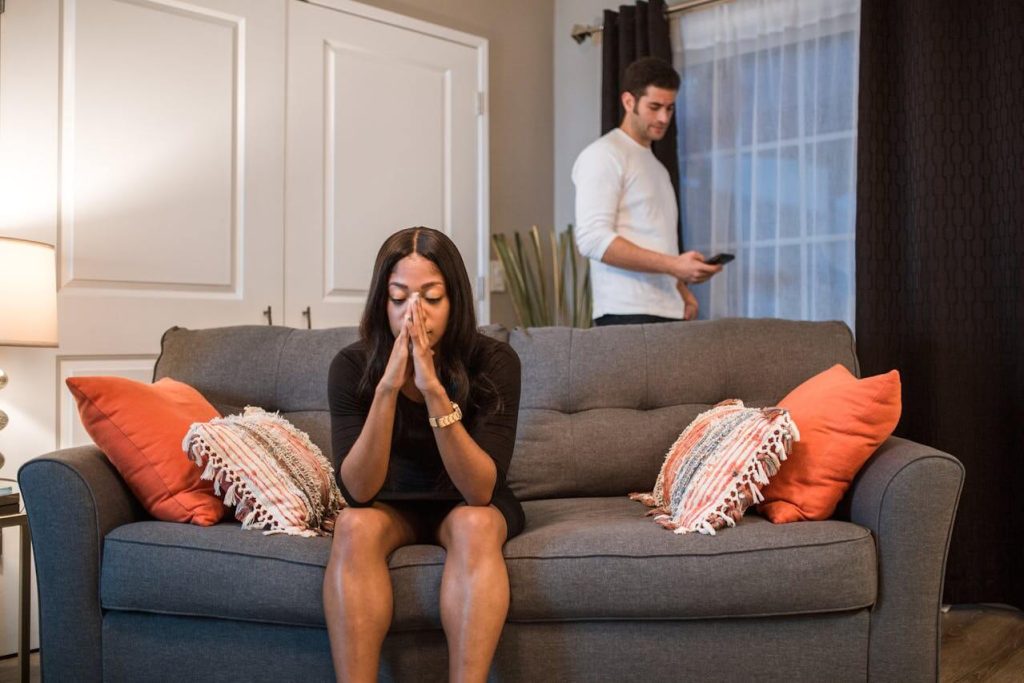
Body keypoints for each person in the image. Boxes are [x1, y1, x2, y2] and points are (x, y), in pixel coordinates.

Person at [323, 227, 524, 683]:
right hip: (389, 500)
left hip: (467, 500)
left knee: (476, 523)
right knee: (353, 525)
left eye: (431, 297)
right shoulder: (351, 366)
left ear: (455, 301)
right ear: (382, 303)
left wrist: (433, 389)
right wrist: (389, 387)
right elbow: (357, 490)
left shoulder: (495, 362)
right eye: (399, 298)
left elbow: (479, 491)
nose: (415, 313)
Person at [573, 56, 722, 326]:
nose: (664, 118)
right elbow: (592, 239)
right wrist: (675, 266)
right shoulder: (604, 155)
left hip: (667, 310)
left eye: (670, 108)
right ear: (629, 102)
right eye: (654, 107)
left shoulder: (657, 167)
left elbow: (653, 239)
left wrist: (680, 289)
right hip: (626, 312)